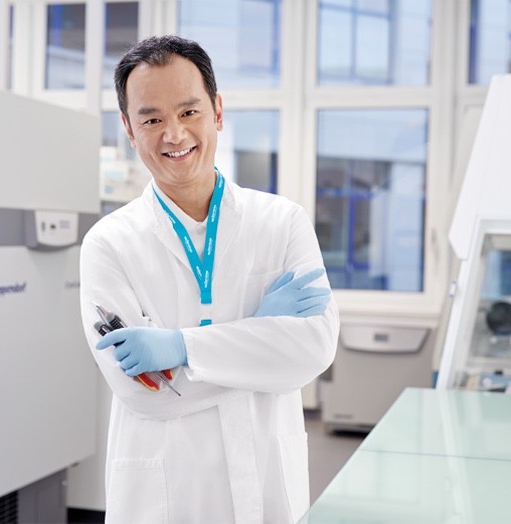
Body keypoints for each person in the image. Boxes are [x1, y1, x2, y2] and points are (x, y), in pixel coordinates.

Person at [79, 34, 340, 524]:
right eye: (151, 118)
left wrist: (181, 349)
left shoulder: (282, 222)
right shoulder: (108, 244)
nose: (174, 135)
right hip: (163, 495)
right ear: (129, 129)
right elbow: (142, 394)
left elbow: (314, 350)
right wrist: (261, 336)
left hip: (266, 485)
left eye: (189, 112)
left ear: (217, 112)